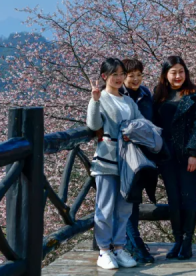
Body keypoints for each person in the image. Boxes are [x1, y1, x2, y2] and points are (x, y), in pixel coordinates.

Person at [86, 58, 143, 270]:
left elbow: (141, 123)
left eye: (121, 74)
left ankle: (119, 247)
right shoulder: (101, 98)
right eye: (114, 75)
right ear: (104, 77)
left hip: (128, 162)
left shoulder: (129, 101)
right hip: (107, 160)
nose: (119, 78)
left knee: (124, 207)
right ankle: (104, 249)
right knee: (105, 206)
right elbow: (93, 125)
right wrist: (94, 100)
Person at [153, 55, 196, 260]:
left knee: (188, 198)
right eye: (173, 72)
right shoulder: (158, 96)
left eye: (181, 71)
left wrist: (193, 153)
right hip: (166, 155)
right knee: (173, 199)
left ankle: (187, 242)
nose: (178, 76)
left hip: (188, 155)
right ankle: (177, 240)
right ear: (165, 75)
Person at [119, 58, 156, 265]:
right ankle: (137, 246)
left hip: (144, 156)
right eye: (131, 75)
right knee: (128, 201)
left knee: (134, 202)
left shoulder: (145, 94)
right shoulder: (118, 96)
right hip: (125, 157)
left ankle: (131, 245)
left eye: (138, 75)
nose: (135, 79)